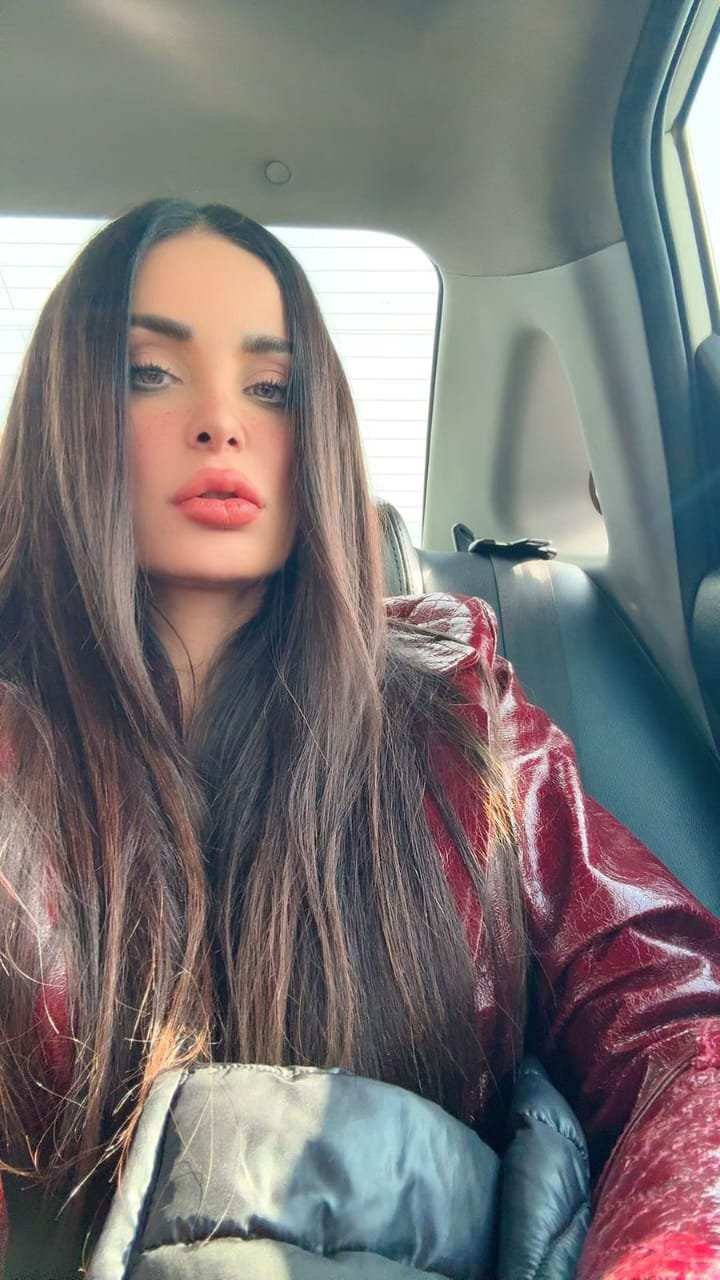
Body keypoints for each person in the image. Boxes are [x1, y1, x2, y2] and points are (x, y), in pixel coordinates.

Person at [0, 199, 719, 1280]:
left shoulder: (465, 718)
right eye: (150, 372)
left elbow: (678, 1030)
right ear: (64, 414)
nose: (220, 421)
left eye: (272, 387)